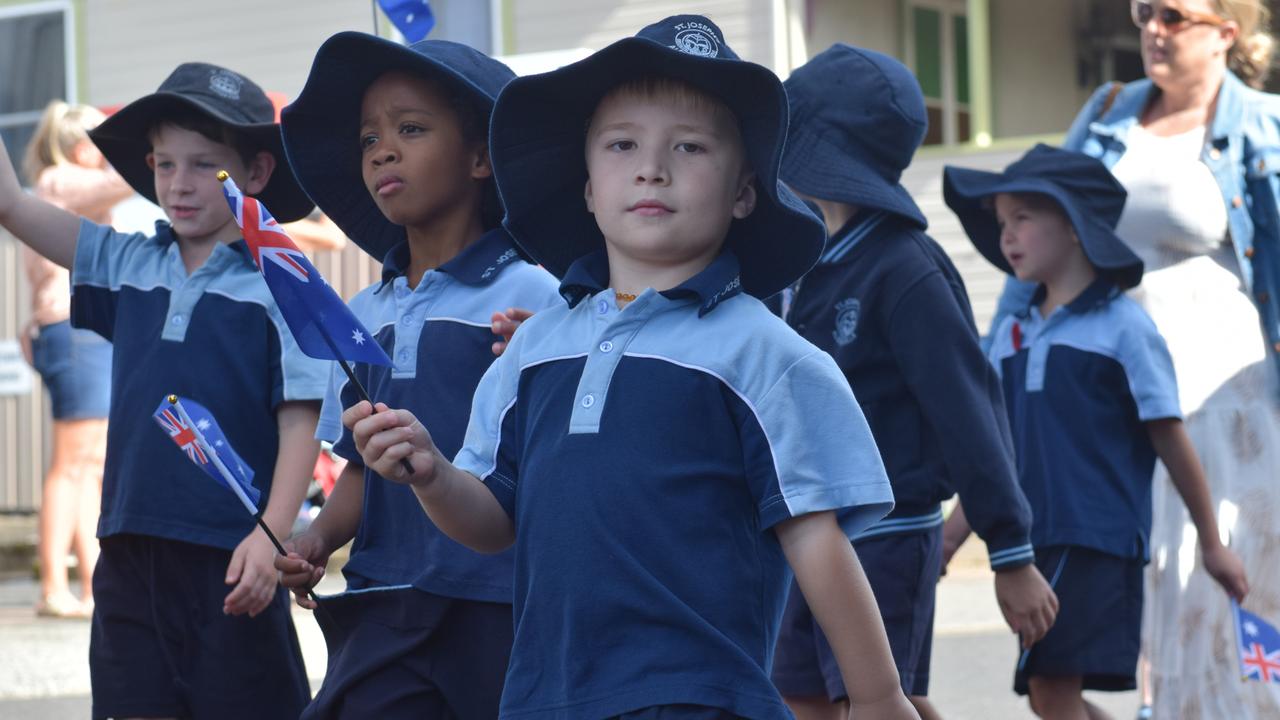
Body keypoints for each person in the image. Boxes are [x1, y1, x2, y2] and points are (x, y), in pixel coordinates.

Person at [344, 14, 918, 720]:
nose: (652, 167)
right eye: (622, 144)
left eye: (690, 146)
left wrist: (880, 698)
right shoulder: (534, 348)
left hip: (699, 699)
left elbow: (816, 539)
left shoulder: (767, 355)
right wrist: (430, 473)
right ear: (588, 186)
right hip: (539, 697)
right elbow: (494, 521)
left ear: (743, 192)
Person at [0, 63, 329, 718]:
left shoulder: (284, 282)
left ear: (257, 173)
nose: (180, 185)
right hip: (126, 552)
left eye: (206, 165)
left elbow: (301, 421)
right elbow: (12, 204)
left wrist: (271, 534)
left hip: (232, 556)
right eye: (165, 164)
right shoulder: (130, 261)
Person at [985, 2, 1280, 716]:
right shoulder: (1108, 110)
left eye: (1175, 14)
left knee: (1237, 597)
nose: (1152, 27)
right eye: (1143, 10)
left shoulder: (1264, 127)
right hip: (1113, 409)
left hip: (1229, 407)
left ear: (1228, 30)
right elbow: (1045, 221)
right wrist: (999, 356)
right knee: (1149, 595)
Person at [273, 32, 560, 719]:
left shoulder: (541, 296)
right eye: (368, 138)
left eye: (410, 128)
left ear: (483, 158)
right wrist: (316, 539)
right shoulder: (363, 312)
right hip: (383, 596)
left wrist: (554, 355)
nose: (382, 150)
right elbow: (364, 463)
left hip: (502, 599)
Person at [768, 44, 1057, 720]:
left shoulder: (904, 269)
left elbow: (968, 411)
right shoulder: (792, 263)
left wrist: (1010, 552)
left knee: (876, 699)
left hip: (886, 531)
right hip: (797, 527)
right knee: (799, 695)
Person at [944, 144, 1250, 720]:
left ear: (1076, 227)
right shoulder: (1013, 331)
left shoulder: (1126, 327)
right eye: (1002, 222)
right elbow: (997, 454)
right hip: (1030, 544)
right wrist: (952, 535)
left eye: (1024, 218)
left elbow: (1169, 437)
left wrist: (1211, 543)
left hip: (1095, 540)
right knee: (1047, 697)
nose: (1007, 235)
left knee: (1053, 692)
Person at [19, 100, 131, 619]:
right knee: (73, 464)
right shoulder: (60, 181)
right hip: (73, 328)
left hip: (76, 328)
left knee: (90, 465)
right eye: (98, 136)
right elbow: (121, 182)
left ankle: (89, 585)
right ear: (75, 143)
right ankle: (52, 589)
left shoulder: (62, 185)